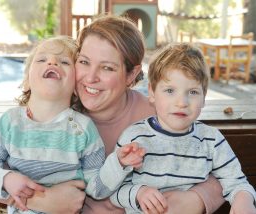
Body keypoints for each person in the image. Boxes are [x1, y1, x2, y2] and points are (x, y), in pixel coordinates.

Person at [0, 15, 225, 214]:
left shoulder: (156, 115)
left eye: (107, 68)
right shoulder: (55, 112)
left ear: (131, 75)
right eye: (84, 62)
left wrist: (193, 200)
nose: (91, 78)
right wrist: (43, 199)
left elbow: (217, 168)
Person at [0, 35, 145, 214]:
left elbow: (96, 189)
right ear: (27, 80)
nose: (52, 62)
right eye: (42, 59)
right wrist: (5, 179)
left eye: (64, 62)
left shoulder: (83, 129)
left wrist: (118, 163)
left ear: (75, 85)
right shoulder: (10, 123)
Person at [110, 43, 256, 214]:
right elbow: (115, 190)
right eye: (170, 90)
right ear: (151, 92)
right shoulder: (134, 138)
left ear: (204, 97)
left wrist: (243, 200)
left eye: (193, 92)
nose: (182, 103)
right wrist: (138, 193)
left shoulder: (212, 140)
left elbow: (237, 183)